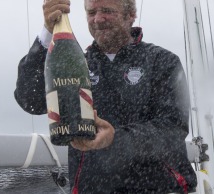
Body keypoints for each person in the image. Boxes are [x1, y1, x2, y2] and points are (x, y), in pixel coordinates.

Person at [14, 0, 197, 193]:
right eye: (91, 12)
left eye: (108, 11)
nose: (98, 19)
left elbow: (173, 128)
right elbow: (31, 100)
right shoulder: (77, 63)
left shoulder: (162, 61)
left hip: (159, 188)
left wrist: (115, 139)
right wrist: (47, 32)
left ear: (130, 15)